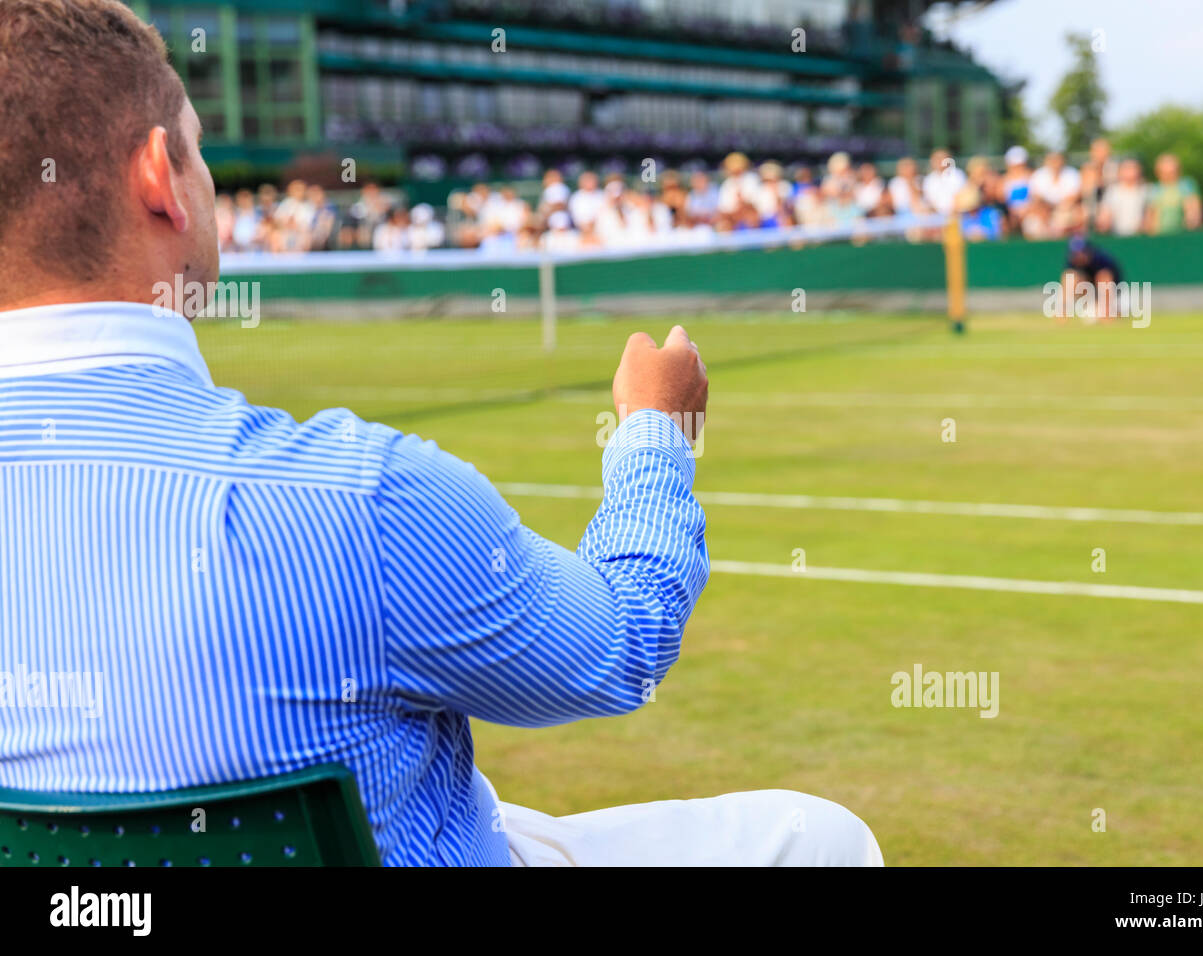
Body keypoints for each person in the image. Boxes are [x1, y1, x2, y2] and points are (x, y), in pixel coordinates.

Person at [0, 0, 883, 867]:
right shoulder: (363, 494)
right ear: (159, 176)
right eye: (195, 148)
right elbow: (621, 647)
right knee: (820, 839)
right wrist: (655, 433)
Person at [1060, 234, 1123, 323]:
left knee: (1103, 277)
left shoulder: (1101, 259)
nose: (1077, 256)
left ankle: (1107, 312)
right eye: (1075, 253)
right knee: (1069, 276)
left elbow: (1110, 281)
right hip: (1089, 295)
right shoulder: (1072, 261)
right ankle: (1063, 313)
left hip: (1115, 294)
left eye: (1080, 252)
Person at [1145, 153, 1202, 234]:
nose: (1169, 176)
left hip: (1183, 235)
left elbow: (1193, 212)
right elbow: (1150, 216)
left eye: (1172, 172)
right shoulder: (1154, 189)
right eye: (1165, 173)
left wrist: (1191, 224)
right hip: (1159, 236)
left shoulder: (1186, 185)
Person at [1097, 158, 1147, 236]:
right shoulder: (1112, 192)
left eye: (1133, 168)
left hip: (1139, 236)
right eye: (1127, 168)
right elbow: (1105, 215)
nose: (1130, 172)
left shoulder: (1144, 191)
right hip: (1117, 236)